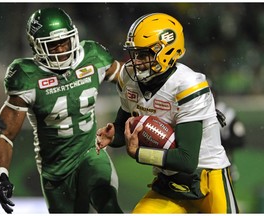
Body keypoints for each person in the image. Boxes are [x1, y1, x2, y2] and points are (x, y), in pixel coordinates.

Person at [96, 13, 239, 213]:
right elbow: (124, 129)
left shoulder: (187, 84)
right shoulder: (129, 78)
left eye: (143, 54)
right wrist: (113, 135)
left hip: (208, 180)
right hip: (169, 183)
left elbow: (187, 160)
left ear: (167, 51)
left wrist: (139, 153)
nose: (136, 62)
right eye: (134, 54)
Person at [0, 7, 123, 214]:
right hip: (55, 169)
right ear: (36, 46)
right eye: (53, 45)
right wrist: (1, 175)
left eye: (64, 42)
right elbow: (5, 134)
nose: (62, 50)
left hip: (91, 153)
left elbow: (128, 81)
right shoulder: (26, 76)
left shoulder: (93, 56)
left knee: (108, 205)